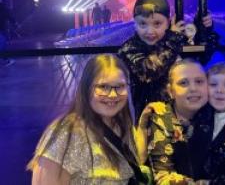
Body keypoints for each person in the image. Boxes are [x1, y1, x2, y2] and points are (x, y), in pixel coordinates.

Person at [136, 58, 225, 184]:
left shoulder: (212, 107)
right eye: (183, 83)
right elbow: (163, 177)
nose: (193, 88)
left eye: (199, 81)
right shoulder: (161, 116)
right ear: (170, 91)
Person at [28, 54, 149, 184]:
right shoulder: (65, 133)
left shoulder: (122, 124)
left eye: (119, 86)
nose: (113, 95)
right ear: (87, 88)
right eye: (103, 87)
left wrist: (141, 128)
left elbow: (132, 165)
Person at [118, 0, 218, 121]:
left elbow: (202, 58)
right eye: (143, 24)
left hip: (185, 119)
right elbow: (148, 71)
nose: (150, 31)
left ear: (169, 23)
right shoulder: (129, 48)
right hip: (152, 123)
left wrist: (203, 30)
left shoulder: (174, 41)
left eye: (157, 24)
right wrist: (173, 39)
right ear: (135, 24)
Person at [0, 0, 16, 66]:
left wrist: (14, 22)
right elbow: (9, 16)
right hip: (2, 29)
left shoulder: (3, 8)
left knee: (3, 44)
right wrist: (14, 22)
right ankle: (6, 59)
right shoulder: (3, 8)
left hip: (2, 29)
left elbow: (9, 16)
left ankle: (7, 59)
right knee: (2, 44)